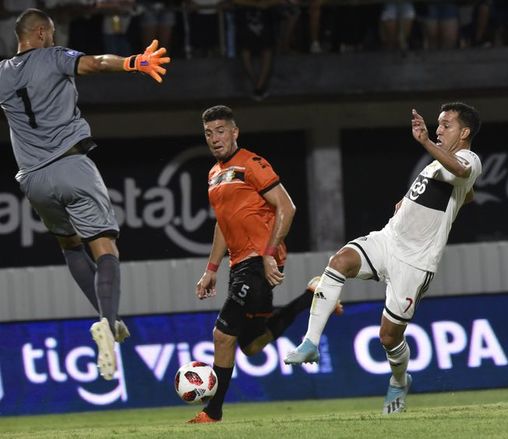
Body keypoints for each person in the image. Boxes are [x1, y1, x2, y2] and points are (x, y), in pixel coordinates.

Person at [0, 8, 169, 380]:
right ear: (42, 33)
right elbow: (94, 63)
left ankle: (109, 319)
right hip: (71, 166)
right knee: (105, 248)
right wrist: (133, 62)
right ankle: (106, 324)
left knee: (70, 245)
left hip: (32, 180)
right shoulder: (54, 57)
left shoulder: (1, 73)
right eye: (54, 32)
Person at [285, 102, 482, 415]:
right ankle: (310, 343)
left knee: (389, 337)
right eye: (438, 124)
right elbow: (464, 189)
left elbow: (462, 171)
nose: (439, 129)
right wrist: (412, 201)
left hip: (416, 263)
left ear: (465, 132)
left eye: (446, 125)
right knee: (340, 261)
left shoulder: (468, 158)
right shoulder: (438, 164)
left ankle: (399, 379)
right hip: (389, 240)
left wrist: (426, 142)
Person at [188, 105, 342, 424]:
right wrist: (212, 270)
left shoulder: (253, 163)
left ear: (234, 132)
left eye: (220, 131)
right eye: (208, 133)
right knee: (252, 345)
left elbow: (287, 206)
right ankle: (312, 295)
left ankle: (212, 411)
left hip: (259, 261)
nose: (214, 138)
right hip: (239, 265)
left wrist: (270, 252)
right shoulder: (214, 174)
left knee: (222, 336)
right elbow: (222, 224)